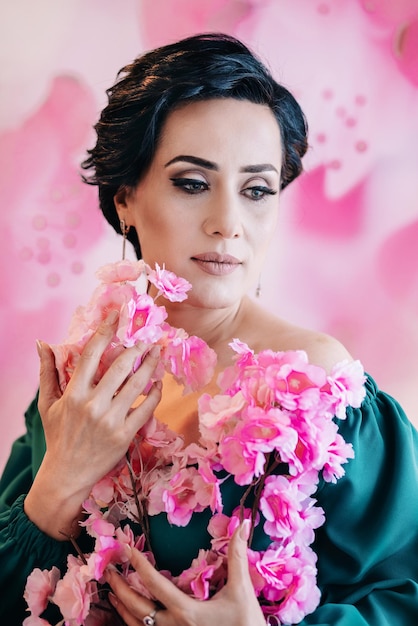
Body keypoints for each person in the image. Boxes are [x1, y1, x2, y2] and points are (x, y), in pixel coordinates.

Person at [1, 32, 418, 626]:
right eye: (192, 183)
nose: (228, 224)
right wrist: (58, 483)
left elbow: (406, 594)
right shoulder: (77, 384)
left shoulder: (320, 389)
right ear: (125, 199)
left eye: (256, 190)